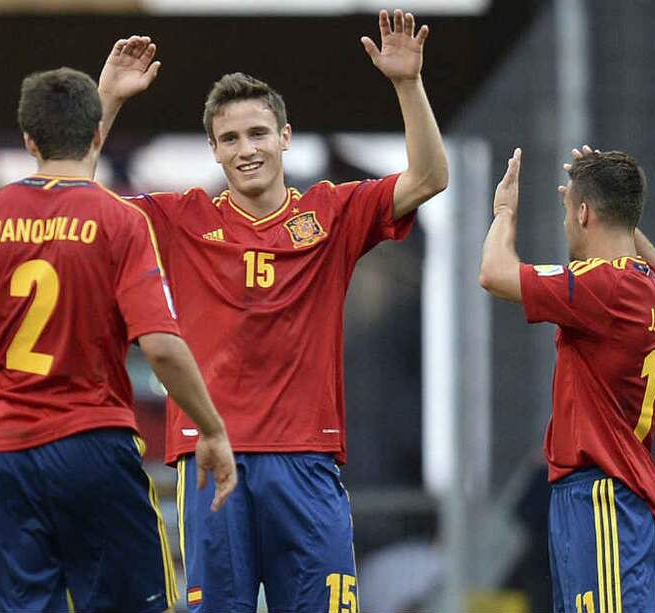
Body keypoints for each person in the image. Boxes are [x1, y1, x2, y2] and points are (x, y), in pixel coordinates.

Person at [96, 10, 448, 612]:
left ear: (284, 136)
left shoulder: (333, 212)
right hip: (211, 461)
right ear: (214, 148)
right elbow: (80, 205)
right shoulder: (182, 219)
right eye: (230, 139)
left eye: (258, 134)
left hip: (307, 461)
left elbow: (429, 177)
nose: (246, 149)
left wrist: (407, 84)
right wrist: (106, 102)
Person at [0, 66, 237, 613]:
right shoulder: (118, 220)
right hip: (92, 443)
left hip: (3, 453)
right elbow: (162, 345)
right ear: (99, 135)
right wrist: (212, 429)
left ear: (28, 141)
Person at [479, 145, 655, 613]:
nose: (566, 222)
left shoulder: (601, 286)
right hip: (602, 493)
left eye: (570, 209)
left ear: (584, 213)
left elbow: (493, 274)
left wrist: (504, 211)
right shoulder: (652, 284)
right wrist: (617, 208)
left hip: (603, 493)